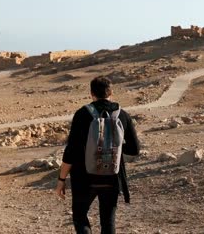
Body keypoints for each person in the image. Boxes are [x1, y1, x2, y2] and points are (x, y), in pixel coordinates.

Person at [55, 76, 140, 234]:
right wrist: (114, 145)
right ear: (111, 92)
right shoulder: (123, 115)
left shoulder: (82, 114)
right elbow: (135, 149)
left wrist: (61, 179)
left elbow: (70, 152)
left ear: (91, 94)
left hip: (84, 177)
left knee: (80, 217)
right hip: (112, 176)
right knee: (108, 222)